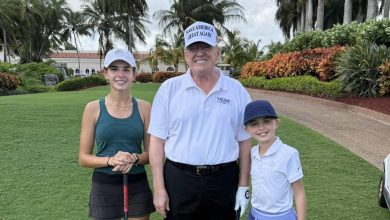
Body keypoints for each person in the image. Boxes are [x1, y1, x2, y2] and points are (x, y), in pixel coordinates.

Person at [148, 21, 252, 220]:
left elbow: (245, 141)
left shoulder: (236, 90)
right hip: (180, 180)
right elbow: (157, 141)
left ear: (217, 52)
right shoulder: (169, 89)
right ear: (186, 55)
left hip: (224, 179)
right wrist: (159, 187)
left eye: (206, 47)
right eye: (194, 48)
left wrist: (243, 185)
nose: (200, 53)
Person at [79, 48, 155, 220]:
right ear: (105, 73)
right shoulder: (93, 108)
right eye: (114, 69)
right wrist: (111, 160)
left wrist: (134, 158)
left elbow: (152, 154)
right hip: (104, 185)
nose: (120, 74)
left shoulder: (145, 107)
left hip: (137, 184)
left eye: (126, 69)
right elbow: (83, 158)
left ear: (134, 74)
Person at [243, 100, 307, 220]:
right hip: (254, 214)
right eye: (254, 124)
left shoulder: (289, 154)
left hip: (281, 216)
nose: (261, 128)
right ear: (246, 129)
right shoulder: (252, 153)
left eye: (266, 121)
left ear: (276, 123)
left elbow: (299, 193)